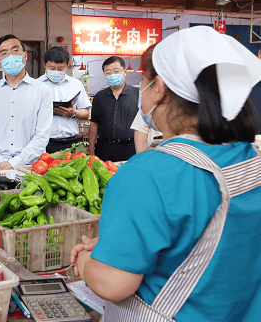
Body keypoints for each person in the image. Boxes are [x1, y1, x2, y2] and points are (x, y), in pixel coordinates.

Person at [70, 26, 261, 322]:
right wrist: (116, 247)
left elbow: (112, 284)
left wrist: (85, 262)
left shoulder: (147, 174)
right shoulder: (249, 160)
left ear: (158, 88)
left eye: (143, 81)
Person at [0, 35, 53, 172]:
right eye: (4, 53)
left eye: (15, 50)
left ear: (25, 56)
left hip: (30, 167)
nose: (10, 55)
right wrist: (0, 163)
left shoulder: (43, 91)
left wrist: (15, 163)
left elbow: (42, 136)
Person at [37, 46, 91, 153]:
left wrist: (73, 112)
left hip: (71, 142)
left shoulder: (76, 84)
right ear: (44, 65)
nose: (56, 71)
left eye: (61, 69)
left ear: (67, 66)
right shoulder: (36, 85)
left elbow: (85, 113)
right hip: (44, 142)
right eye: (52, 68)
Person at [88, 56, 138, 162]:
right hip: (104, 148)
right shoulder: (99, 97)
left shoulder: (138, 95)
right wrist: (91, 150)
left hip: (131, 149)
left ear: (124, 72)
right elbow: (93, 124)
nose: (112, 75)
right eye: (108, 72)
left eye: (116, 71)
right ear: (105, 75)